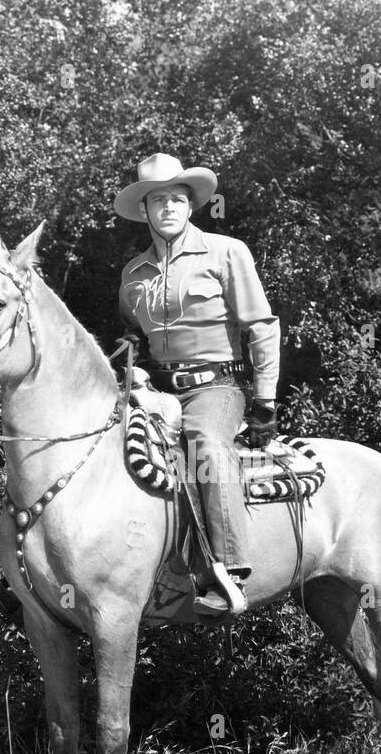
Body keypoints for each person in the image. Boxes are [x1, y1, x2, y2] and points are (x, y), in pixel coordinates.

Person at [115, 153, 281, 616]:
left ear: (191, 206)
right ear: (144, 211)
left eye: (177, 199)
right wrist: (132, 359)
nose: (168, 207)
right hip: (158, 391)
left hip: (217, 388)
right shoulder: (133, 274)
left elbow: (262, 326)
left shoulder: (227, 252)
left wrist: (265, 400)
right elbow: (131, 332)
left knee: (204, 443)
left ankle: (226, 571)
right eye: (158, 200)